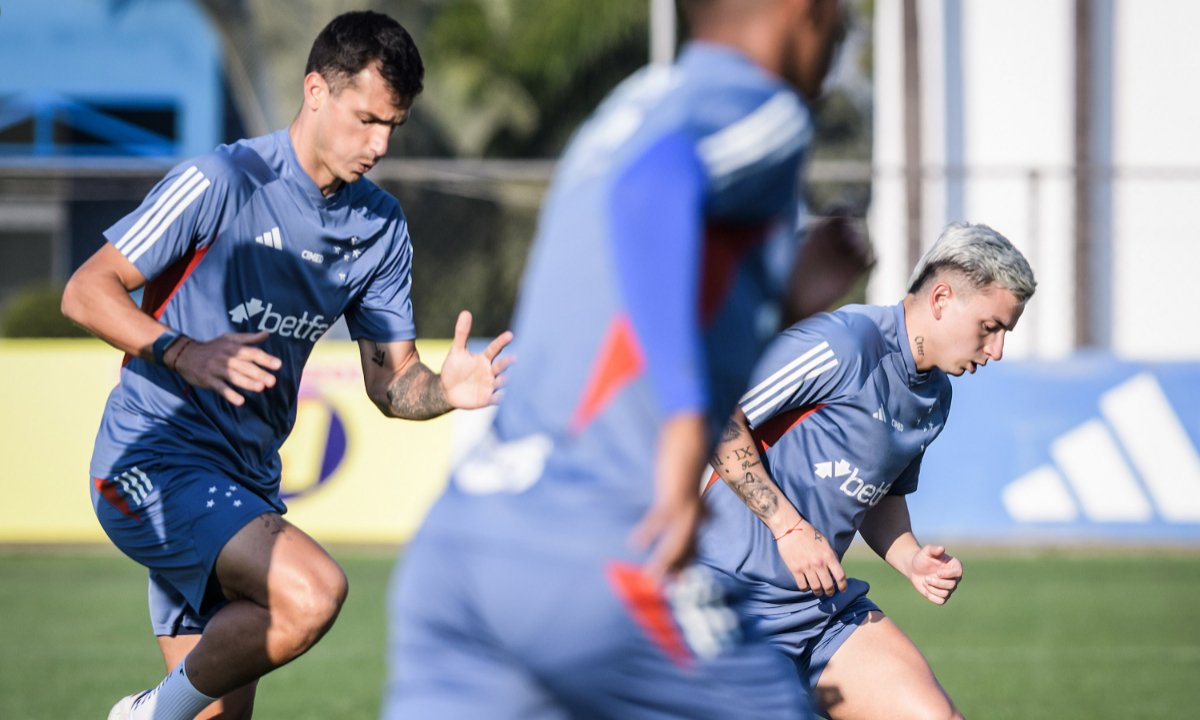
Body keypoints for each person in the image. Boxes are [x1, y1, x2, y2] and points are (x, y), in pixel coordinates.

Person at [384, 1, 847, 718]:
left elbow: (631, 295)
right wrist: (685, 430)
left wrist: (781, 306)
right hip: (594, 547)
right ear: (799, 11)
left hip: (464, 543)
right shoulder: (763, 105)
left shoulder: (627, 107)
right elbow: (654, 190)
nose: (845, 28)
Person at [60, 11, 511, 720]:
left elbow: (392, 383)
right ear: (314, 91)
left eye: (392, 126)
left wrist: (443, 391)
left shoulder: (380, 226)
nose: (380, 144)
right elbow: (85, 290)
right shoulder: (223, 179)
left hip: (246, 484)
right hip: (153, 463)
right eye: (366, 119)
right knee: (314, 592)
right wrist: (182, 349)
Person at [699, 221, 1037, 719]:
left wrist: (910, 558)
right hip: (722, 603)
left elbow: (878, 494)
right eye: (990, 328)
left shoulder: (934, 397)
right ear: (941, 298)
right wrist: (787, 526)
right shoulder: (847, 343)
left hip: (820, 613)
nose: (997, 350)